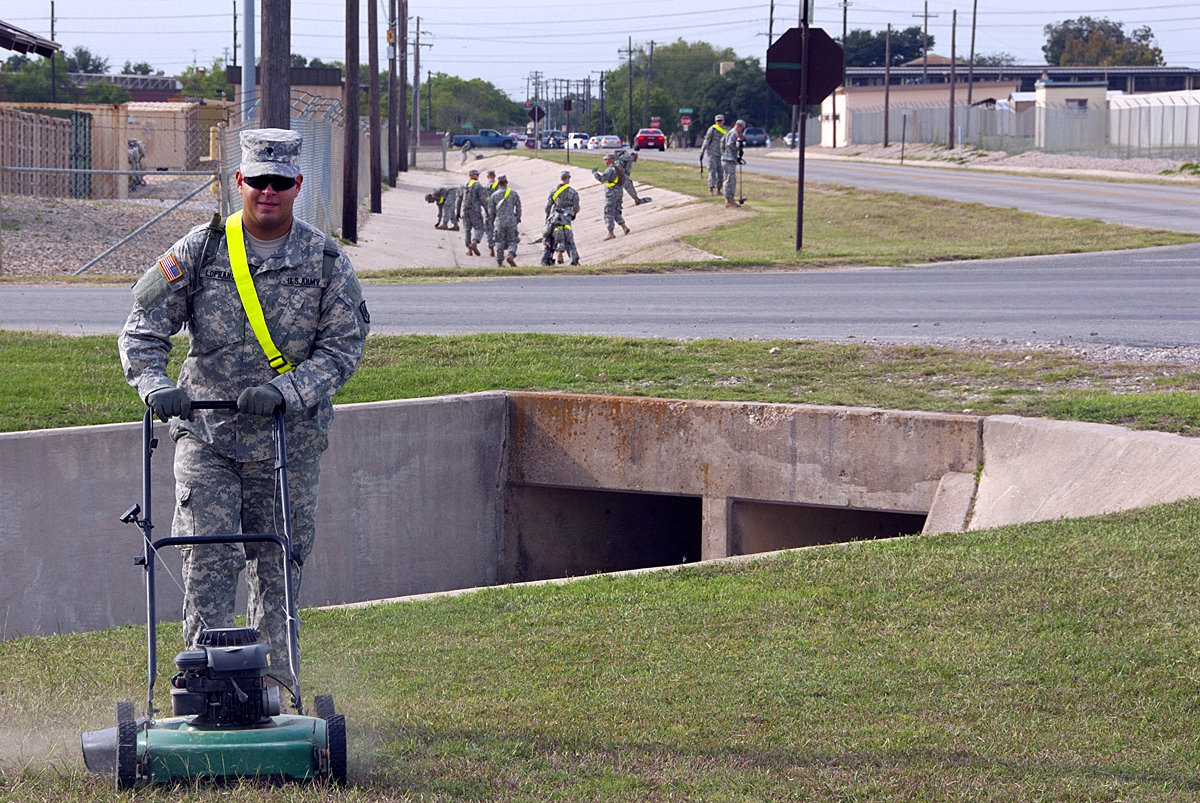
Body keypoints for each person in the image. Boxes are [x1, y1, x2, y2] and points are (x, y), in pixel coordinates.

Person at [117, 127, 371, 692]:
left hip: (288, 446)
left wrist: (290, 391)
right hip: (208, 438)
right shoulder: (200, 251)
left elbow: (343, 347)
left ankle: (274, 692)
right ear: (240, 182)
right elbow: (141, 330)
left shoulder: (325, 261)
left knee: (278, 570)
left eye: (280, 182)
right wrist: (156, 386)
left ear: (297, 185)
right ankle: (202, 688)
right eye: (258, 181)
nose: (268, 192)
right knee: (208, 561)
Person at [540, 170, 580, 266]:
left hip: (555, 218)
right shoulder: (573, 192)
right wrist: (573, 214)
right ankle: (573, 259)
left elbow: (548, 206)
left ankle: (547, 260)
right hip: (566, 219)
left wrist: (547, 216)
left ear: (561, 178)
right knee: (569, 238)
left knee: (551, 238)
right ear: (568, 179)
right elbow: (576, 207)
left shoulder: (554, 191)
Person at [592, 153, 629, 240]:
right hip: (619, 192)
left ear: (610, 160)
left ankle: (610, 233)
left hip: (611, 194)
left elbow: (602, 179)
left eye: (606, 160)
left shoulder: (610, 170)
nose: (605, 161)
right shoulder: (618, 168)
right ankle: (624, 227)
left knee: (608, 213)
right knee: (616, 211)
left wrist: (595, 173)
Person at [487, 174, 522, 266]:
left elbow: (490, 210)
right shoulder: (513, 193)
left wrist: (494, 219)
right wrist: (517, 218)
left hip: (499, 221)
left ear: (498, 184)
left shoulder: (494, 195)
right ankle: (511, 254)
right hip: (511, 221)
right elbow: (518, 208)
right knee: (513, 240)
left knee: (499, 241)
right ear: (506, 182)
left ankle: (499, 261)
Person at [458, 167, 489, 256]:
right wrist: (487, 211)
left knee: (467, 230)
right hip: (475, 211)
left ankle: (469, 249)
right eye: (477, 175)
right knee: (479, 228)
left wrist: (457, 212)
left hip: (465, 211)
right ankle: (475, 242)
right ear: (472, 176)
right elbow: (483, 199)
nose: (478, 176)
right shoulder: (477, 185)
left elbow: (458, 200)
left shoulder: (463, 186)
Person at [699, 113, 728, 195]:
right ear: (715, 121)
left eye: (720, 121)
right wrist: (702, 151)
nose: (719, 122)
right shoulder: (712, 129)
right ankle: (711, 189)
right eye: (718, 121)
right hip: (712, 154)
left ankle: (719, 190)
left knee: (721, 173)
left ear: (723, 121)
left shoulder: (725, 130)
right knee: (712, 172)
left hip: (722, 155)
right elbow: (706, 140)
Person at [721, 119, 747, 208]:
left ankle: (730, 198)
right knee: (729, 179)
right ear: (738, 126)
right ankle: (728, 199)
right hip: (728, 159)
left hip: (730, 159)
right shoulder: (733, 133)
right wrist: (737, 146)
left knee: (732, 179)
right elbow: (729, 144)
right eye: (742, 128)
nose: (742, 130)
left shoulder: (733, 133)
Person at [483, 169, 500, 257]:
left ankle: (491, 249)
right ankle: (500, 248)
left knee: (489, 230)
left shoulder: (485, 188)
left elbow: (483, 200)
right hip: (499, 212)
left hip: (488, 212)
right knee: (499, 230)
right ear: (494, 176)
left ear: (488, 177)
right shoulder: (500, 186)